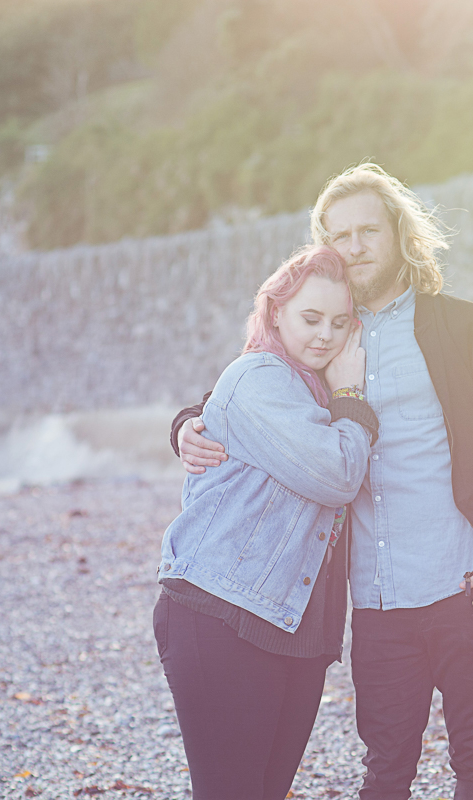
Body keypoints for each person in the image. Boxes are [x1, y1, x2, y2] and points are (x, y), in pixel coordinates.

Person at [173, 164, 473, 800]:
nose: (353, 247)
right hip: (375, 600)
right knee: (384, 772)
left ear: (400, 234)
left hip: (465, 579)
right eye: (338, 234)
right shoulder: (323, 335)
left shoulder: (466, 330)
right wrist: (187, 422)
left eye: (367, 232)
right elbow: (245, 390)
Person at [155, 245, 379, 800]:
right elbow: (337, 475)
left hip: (294, 625)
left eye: (339, 322)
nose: (325, 335)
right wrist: (351, 394)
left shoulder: (310, 385)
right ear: (276, 312)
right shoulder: (261, 375)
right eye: (310, 318)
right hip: (221, 616)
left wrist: (187, 420)